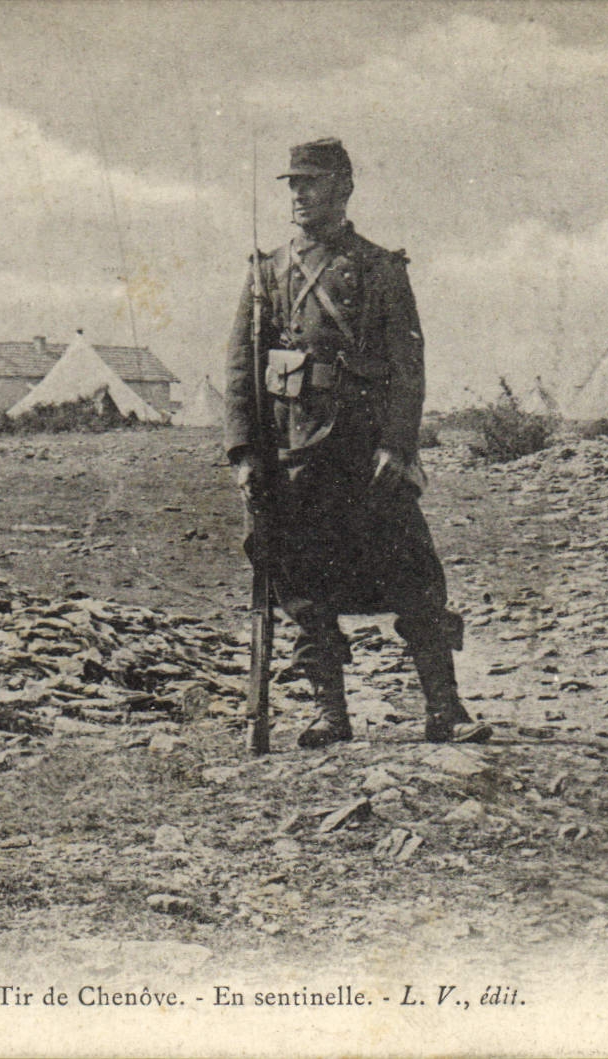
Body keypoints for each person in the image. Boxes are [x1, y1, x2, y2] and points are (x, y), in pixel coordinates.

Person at [223, 137, 492, 748]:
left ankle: (445, 710)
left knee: (416, 579)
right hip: (295, 457)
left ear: (343, 189)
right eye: (293, 184)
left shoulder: (381, 268)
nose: (299, 194)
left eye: (311, 182)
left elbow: (408, 365)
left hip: (366, 456)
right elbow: (241, 369)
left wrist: (397, 445)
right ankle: (330, 714)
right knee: (303, 588)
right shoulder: (266, 272)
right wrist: (244, 454)